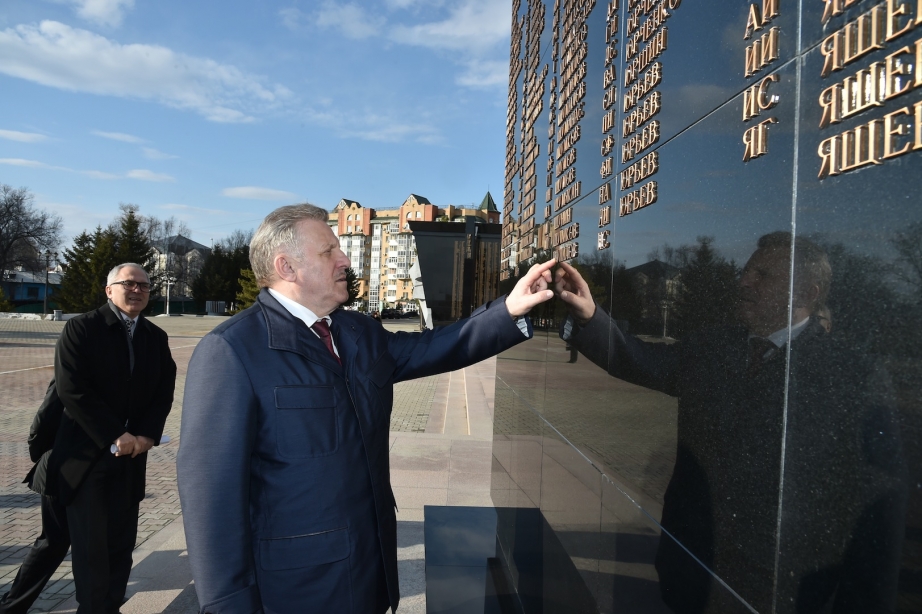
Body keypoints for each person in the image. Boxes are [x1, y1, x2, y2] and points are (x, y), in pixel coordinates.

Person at [177, 204, 555, 614]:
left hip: (370, 572)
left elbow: (433, 348)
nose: (344, 261)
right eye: (329, 252)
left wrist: (509, 310)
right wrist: (227, 605)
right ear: (287, 267)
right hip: (295, 588)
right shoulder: (232, 351)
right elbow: (210, 499)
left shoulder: (356, 331)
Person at [555, 232, 906, 613]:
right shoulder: (712, 347)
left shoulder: (851, 375)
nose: (745, 281)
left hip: (783, 587)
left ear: (806, 292)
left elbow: (877, 507)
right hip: (691, 568)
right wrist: (590, 315)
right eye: (746, 270)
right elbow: (639, 360)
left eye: (764, 275)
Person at [50, 263, 176, 614]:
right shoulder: (82, 328)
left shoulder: (155, 336)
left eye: (145, 286)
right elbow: (72, 390)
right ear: (109, 290)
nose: (137, 290)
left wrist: (146, 436)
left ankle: (112, 606)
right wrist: (115, 434)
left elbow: (163, 391)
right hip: (87, 458)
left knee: (121, 544)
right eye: (129, 284)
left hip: (132, 456)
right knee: (91, 548)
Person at [0, 380, 70, 614]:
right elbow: (44, 420)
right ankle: (12, 604)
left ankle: (12, 603)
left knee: (55, 542)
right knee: (53, 542)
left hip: (69, 469)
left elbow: (44, 420)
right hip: (60, 470)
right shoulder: (73, 365)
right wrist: (40, 453)